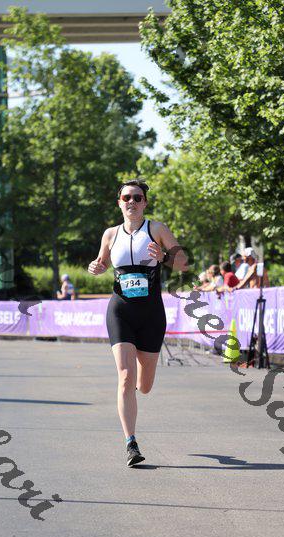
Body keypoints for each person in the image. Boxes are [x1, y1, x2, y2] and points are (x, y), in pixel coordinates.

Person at [87, 179, 189, 467]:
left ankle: (134, 390)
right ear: (119, 203)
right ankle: (131, 443)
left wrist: (165, 257)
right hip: (120, 310)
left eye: (137, 197)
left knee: (144, 386)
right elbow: (102, 262)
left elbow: (183, 262)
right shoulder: (110, 234)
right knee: (125, 377)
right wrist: (96, 267)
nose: (131, 202)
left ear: (145, 202)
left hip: (151, 314)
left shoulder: (156, 229)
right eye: (126, 197)